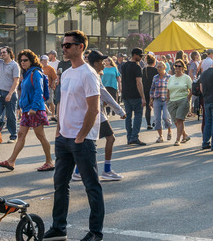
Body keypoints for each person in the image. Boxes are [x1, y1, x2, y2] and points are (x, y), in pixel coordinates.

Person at [43, 30, 104, 241]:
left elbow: (94, 108)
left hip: (82, 140)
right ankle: (59, 228)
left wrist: (81, 136)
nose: (64, 48)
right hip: (63, 139)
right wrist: (59, 129)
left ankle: (95, 232)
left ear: (81, 47)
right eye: (63, 45)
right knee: (60, 184)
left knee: (91, 186)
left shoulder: (89, 74)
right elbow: (61, 103)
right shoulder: (67, 72)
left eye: (68, 45)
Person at [72, 50, 126, 181]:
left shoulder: (86, 73)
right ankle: (106, 170)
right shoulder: (93, 75)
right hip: (95, 115)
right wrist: (120, 111)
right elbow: (105, 94)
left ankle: (78, 171)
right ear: (96, 63)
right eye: (102, 61)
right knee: (110, 138)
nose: (104, 63)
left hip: (89, 114)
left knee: (87, 140)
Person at [0, 50, 53, 172]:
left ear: (32, 60)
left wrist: (34, 107)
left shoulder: (35, 73)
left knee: (41, 136)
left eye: (25, 60)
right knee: (21, 135)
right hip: (27, 110)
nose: (22, 62)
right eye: (21, 60)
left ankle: (49, 162)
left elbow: (39, 91)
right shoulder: (27, 74)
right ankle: (11, 161)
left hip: (35, 110)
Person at [0, 46, 21, 143]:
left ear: (10, 53)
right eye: (1, 53)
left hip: (10, 93)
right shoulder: (0, 62)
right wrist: (0, 48)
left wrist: (10, 94)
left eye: (4, 53)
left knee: (10, 116)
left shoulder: (14, 65)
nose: (2, 54)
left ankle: (13, 136)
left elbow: (16, 81)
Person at [121, 48, 147, 146]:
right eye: (140, 56)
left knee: (128, 117)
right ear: (135, 55)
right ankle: (134, 137)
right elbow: (139, 83)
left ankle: (129, 137)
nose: (141, 58)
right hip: (135, 96)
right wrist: (143, 97)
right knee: (138, 116)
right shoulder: (137, 67)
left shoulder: (124, 66)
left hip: (126, 95)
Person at [167, 59, 193, 146]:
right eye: (176, 66)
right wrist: (168, 101)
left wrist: (187, 99)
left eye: (179, 66)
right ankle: (185, 135)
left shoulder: (186, 78)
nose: (177, 68)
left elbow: (191, 89)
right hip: (172, 101)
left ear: (183, 68)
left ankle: (177, 140)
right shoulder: (171, 78)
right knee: (175, 120)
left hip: (182, 100)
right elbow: (168, 90)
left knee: (179, 119)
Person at [149, 62, 172, 143]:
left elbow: (172, 89)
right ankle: (160, 136)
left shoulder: (169, 77)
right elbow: (152, 89)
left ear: (164, 67)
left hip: (166, 99)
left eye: (160, 67)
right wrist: (150, 100)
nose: (158, 68)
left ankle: (169, 130)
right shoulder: (155, 77)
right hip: (157, 99)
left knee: (166, 117)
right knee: (157, 119)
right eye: (157, 67)